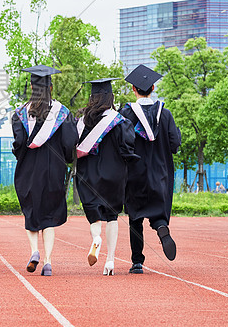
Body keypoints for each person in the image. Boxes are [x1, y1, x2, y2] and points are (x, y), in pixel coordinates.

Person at [12, 65, 77, 276]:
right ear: (51, 87)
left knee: (31, 212)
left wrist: (20, 154)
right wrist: (67, 159)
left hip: (28, 170)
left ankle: (34, 251)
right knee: (49, 216)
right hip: (53, 170)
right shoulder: (63, 113)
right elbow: (69, 143)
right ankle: (48, 261)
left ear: (31, 86)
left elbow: (19, 143)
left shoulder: (20, 113)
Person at [119, 64, 181, 274]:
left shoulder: (127, 113)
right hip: (160, 173)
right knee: (157, 210)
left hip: (135, 173)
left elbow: (122, 143)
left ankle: (137, 262)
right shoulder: (166, 115)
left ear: (134, 90)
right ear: (153, 88)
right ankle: (161, 227)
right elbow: (174, 144)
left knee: (135, 217)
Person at [74, 78, 138, 276]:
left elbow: (72, 145)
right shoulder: (119, 121)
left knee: (93, 212)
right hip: (114, 175)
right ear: (111, 98)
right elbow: (128, 147)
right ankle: (110, 261)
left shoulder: (82, 121)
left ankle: (96, 238)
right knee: (112, 216)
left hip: (88, 175)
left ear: (92, 98)